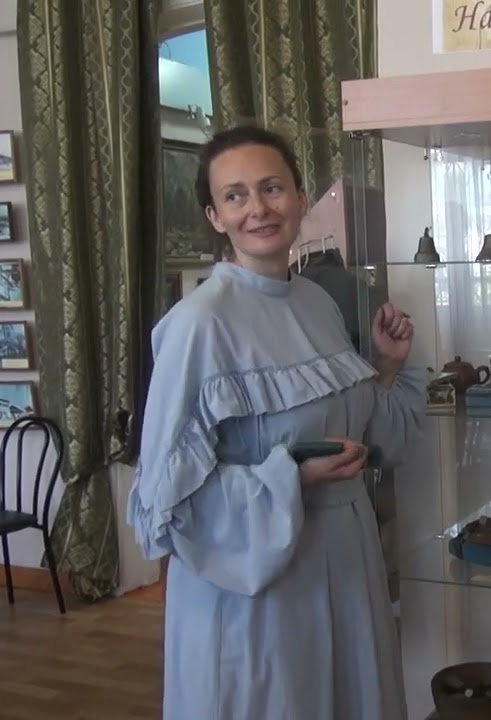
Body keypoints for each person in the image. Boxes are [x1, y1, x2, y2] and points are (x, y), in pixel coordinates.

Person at [127, 125, 426, 720]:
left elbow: (357, 432)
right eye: (235, 196)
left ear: (298, 197)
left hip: (345, 563)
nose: (258, 209)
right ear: (214, 216)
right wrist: (291, 478)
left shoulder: (318, 302)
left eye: (271, 188)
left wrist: (386, 368)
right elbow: (166, 504)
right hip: (259, 590)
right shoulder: (198, 326)